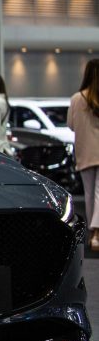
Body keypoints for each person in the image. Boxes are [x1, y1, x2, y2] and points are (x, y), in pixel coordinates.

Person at [68, 58, 99, 251]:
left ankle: (92, 231)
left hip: (84, 150)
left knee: (88, 193)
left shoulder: (76, 98)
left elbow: (71, 125)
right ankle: (97, 232)